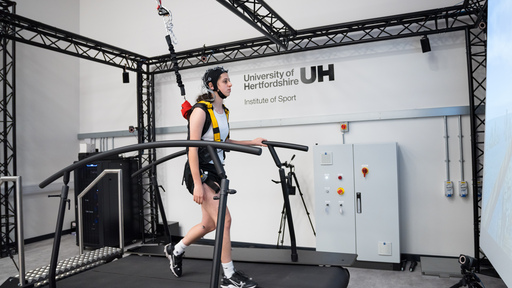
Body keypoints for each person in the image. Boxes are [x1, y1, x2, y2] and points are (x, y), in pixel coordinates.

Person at [164, 66, 266, 288]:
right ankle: (228, 276)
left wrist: (252, 142)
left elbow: (224, 141)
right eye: (225, 81)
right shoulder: (200, 111)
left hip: (216, 172)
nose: (230, 85)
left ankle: (175, 249)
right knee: (225, 221)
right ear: (212, 86)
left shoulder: (224, 112)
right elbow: (192, 149)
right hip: (200, 173)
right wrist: (198, 185)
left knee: (209, 224)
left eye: (230, 81)